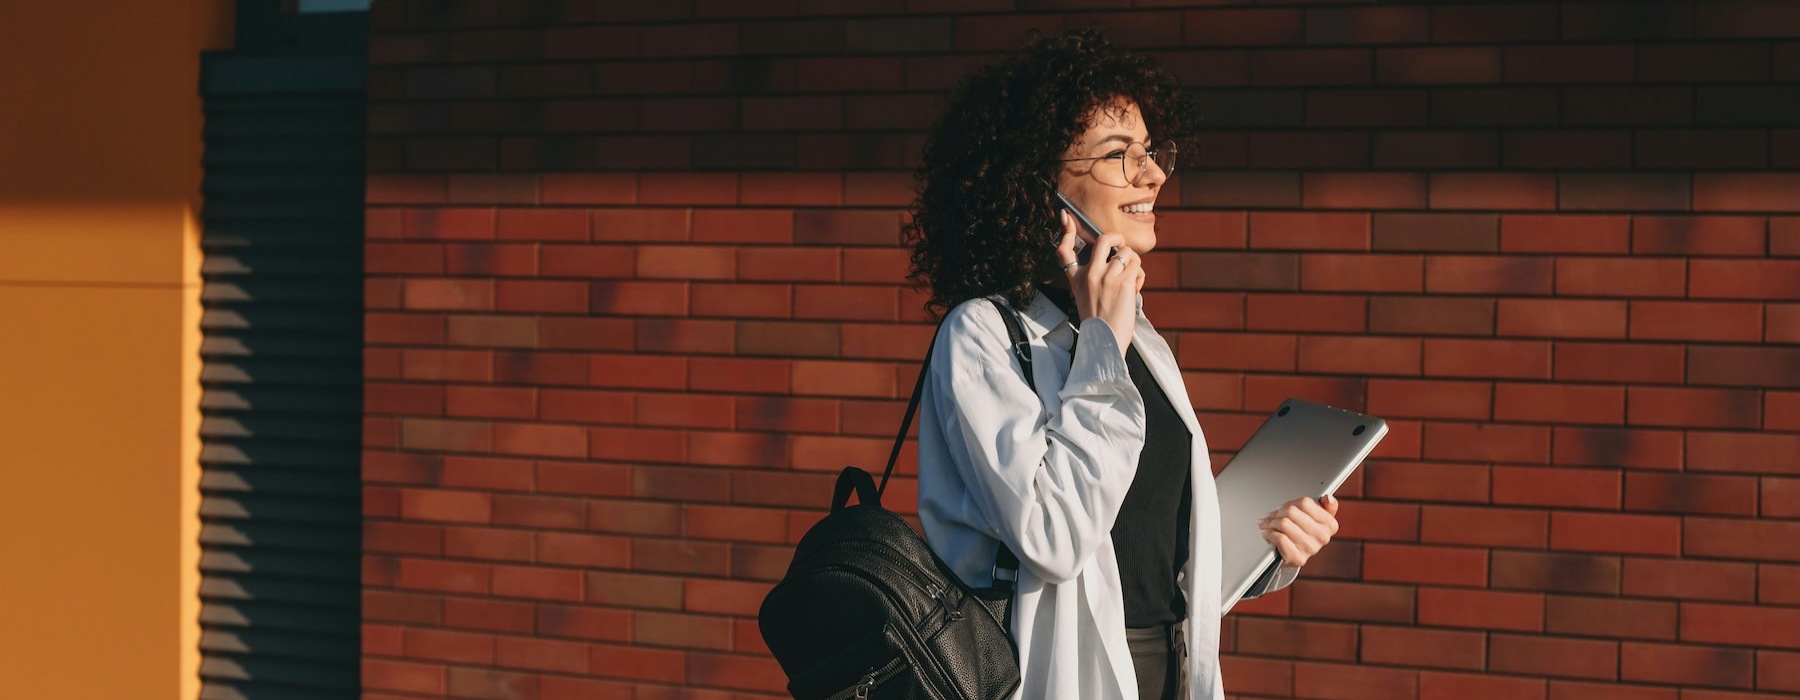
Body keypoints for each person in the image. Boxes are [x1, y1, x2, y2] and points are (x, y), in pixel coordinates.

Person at [907, 29, 1343, 700]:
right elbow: (1053, 536)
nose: (1154, 175)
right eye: (1119, 155)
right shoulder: (985, 335)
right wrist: (1102, 346)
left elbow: (1144, 561)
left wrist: (1267, 552)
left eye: (1150, 151)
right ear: (1038, 187)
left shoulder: (1138, 337)